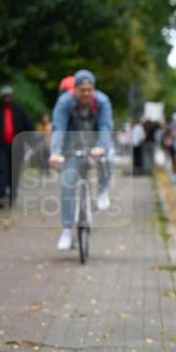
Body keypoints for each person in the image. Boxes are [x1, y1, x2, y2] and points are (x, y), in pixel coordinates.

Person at [49, 69, 115, 250]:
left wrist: (101, 146)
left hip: (96, 143)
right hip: (72, 146)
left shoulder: (102, 102)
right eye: (82, 89)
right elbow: (59, 128)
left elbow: (106, 127)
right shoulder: (65, 102)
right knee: (67, 184)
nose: (86, 93)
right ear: (74, 89)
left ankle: (102, 191)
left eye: (89, 89)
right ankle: (67, 230)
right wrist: (55, 152)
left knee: (108, 157)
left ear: (94, 89)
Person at [0, 86, 34, 208]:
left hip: (16, 146)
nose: (7, 99)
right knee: (2, 170)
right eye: (5, 97)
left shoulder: (19, 111)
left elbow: (28, 127)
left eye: (9, 96)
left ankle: (12, 195)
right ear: (1, 98)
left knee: (14, 171)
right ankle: (1, 197)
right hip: (0, 147)